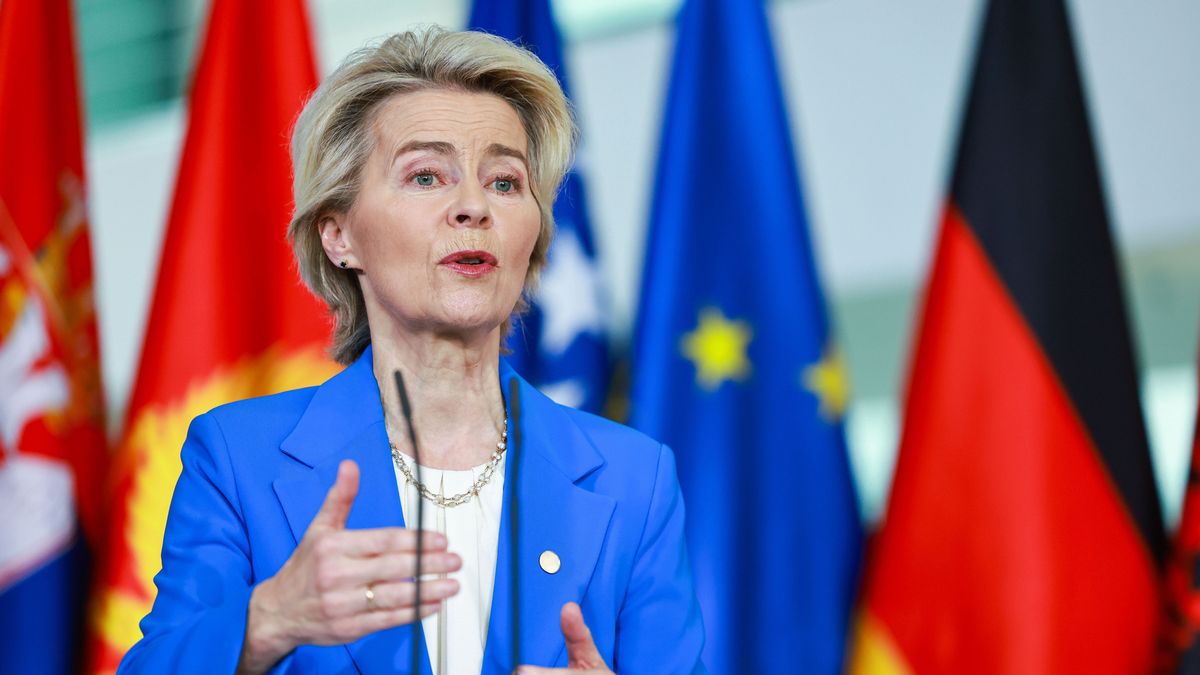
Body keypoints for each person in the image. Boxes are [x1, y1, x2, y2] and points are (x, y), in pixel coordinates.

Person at [118, 28, 704, 675]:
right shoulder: (237, 457)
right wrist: (269, 620)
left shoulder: (634, 477)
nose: (473, 206)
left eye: (506, 183)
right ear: (339, 235)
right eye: (426, 175)